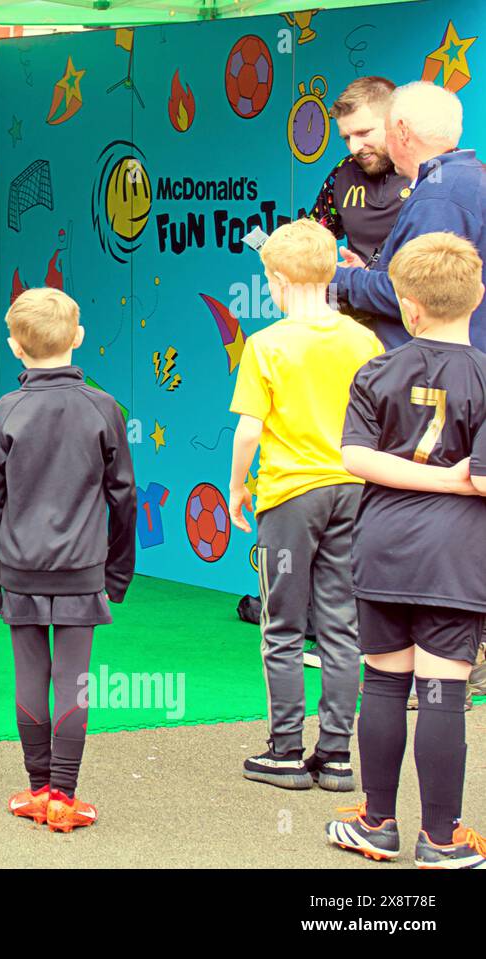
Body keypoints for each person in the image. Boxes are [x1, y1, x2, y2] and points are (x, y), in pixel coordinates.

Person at [325, 232, 486, 868]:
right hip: (457, 559)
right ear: (478, 298)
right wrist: (454, 477)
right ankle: (441, 840)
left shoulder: (375, 368)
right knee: (445, 691)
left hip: (383, 549)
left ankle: (376, 823)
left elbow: (354, 456)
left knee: (385, 684)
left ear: (406, 306)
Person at [0, 287, 136, 832]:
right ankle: (64, 796)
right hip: (82, 572)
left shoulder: (6, 409)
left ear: (15, 345)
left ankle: (38, 788)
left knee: (30, 674)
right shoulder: (103, 407)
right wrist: (117, 571)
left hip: (17, 569)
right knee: (73, 679)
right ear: (79, 337)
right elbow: (125, 498)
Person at [228, 219, 382, 791]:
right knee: (342, 625)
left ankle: (286, 750)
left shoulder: (267, 345)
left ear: (277, 279)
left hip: (291, 496)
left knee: (283, 626)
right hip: (352, 490)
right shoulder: (363, 340)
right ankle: (337, 756)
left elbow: (249, 430)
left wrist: (238, 486)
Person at [332, 81, 486, 353]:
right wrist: (367, 274)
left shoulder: (439, 196)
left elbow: (415, 295)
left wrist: (338, 278)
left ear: (401, 131)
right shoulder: (464, 178)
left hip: (434, 380)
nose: (355, 147)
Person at [310, 76, 411, 269]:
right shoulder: (343, 171)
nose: (354, 147)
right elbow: (314, 236)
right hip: (356, 296)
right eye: (346, 138)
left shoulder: (434, 172)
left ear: (397, 124)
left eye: (364, 133)